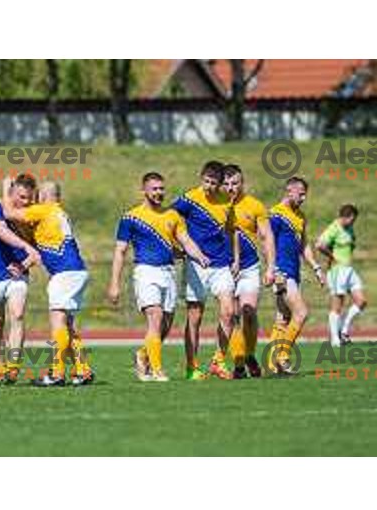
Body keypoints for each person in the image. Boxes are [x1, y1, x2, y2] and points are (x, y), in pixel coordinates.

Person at [108, 172, 209, 382]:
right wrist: (114, 284)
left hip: (169, 272)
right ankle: (157, 370)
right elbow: (120, 251)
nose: (159, 193)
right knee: (155, 317)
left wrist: (200, 256)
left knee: (165, 325)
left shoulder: (172, 216)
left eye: (161, 189)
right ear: (143, 191)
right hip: (145, 271)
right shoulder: (130, 217)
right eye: (154, 189)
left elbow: (186, 240)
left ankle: (142, 355)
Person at [1, 177, 92, 387]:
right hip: (77, 271)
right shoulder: (58, 213)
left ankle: (57, 373)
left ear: (43, 196)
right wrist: (24, 265)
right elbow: (39, 249)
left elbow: (9, 213)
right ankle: (83, 370)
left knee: (57, 322)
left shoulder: (45, 210)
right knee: (67, 325)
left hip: (64, 273)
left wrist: (6, 188)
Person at [172, 161, 239, 380]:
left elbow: (230, 230)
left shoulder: (227, 201)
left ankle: (218, 361)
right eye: (206, 181)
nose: (209, 186)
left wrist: (235, 259)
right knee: (195, 316)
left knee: (229, 312)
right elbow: (166, 220)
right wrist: (178, 246)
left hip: (221, 264)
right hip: (196, 265)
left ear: (221, 184)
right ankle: (192, 367)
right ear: (201, 178)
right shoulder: (189, 198)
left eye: (213, 183)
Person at [0, 174, 41, 384]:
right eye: (22, 197)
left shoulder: (32, 215)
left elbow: (39, 248)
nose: (26, 202)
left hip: (18, 275)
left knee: (17, 316)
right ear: (12, 193)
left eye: (30, 198)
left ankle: (13, 367)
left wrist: (24, 264)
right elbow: (0, 231)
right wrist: (25, 246)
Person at [222, 164, 275, 379]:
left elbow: (266, 236)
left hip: (249, 266)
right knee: (231, 314)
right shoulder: (216, 206)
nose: (230, 188)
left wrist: (271, 266)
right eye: (226, 184)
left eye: (235, 183)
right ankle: (238, 363)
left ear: (242, 183)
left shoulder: (255, 205)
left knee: (248, 311)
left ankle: (250, 354)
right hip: (223, 268)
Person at [268, 177, 325, 374]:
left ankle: (272, 364)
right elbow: (266, 241)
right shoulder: (276, 214)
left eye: (305, 194)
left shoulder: (300, 216)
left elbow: (304, 245)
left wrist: (316, 268)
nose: (303, 198)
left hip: (294, 272)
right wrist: (273, 270)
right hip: (281, 271)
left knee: (283, 318)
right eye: (300, 194)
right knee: (301, 313)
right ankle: (282, 357)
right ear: (289, 190)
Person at [315, 204, 366, 346]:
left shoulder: (349, 228)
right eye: (352, 219)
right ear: (346, 217)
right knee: (337, 304)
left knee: (361, 301)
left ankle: (343, 330)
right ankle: (335, 340)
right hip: (338, 270)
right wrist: (332, 256)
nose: (353, 222)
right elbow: (319, 245)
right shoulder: (334, 228)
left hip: (349, 269)